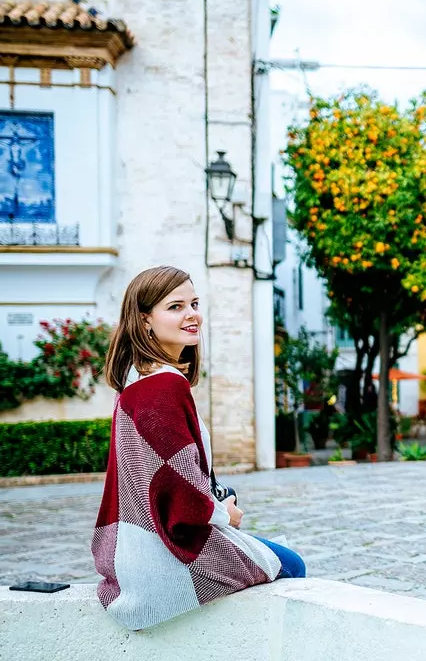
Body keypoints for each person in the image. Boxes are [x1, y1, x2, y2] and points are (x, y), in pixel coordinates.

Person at [92, 266, 305, 630]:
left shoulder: (134, 385)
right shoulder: (164, 387)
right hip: (169, 554)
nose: (192, 314)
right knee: (292, 565)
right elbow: (182, 492)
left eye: (193, 303)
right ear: (145, 321)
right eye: (175, 307)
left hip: (132, 549)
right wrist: (224, 514)